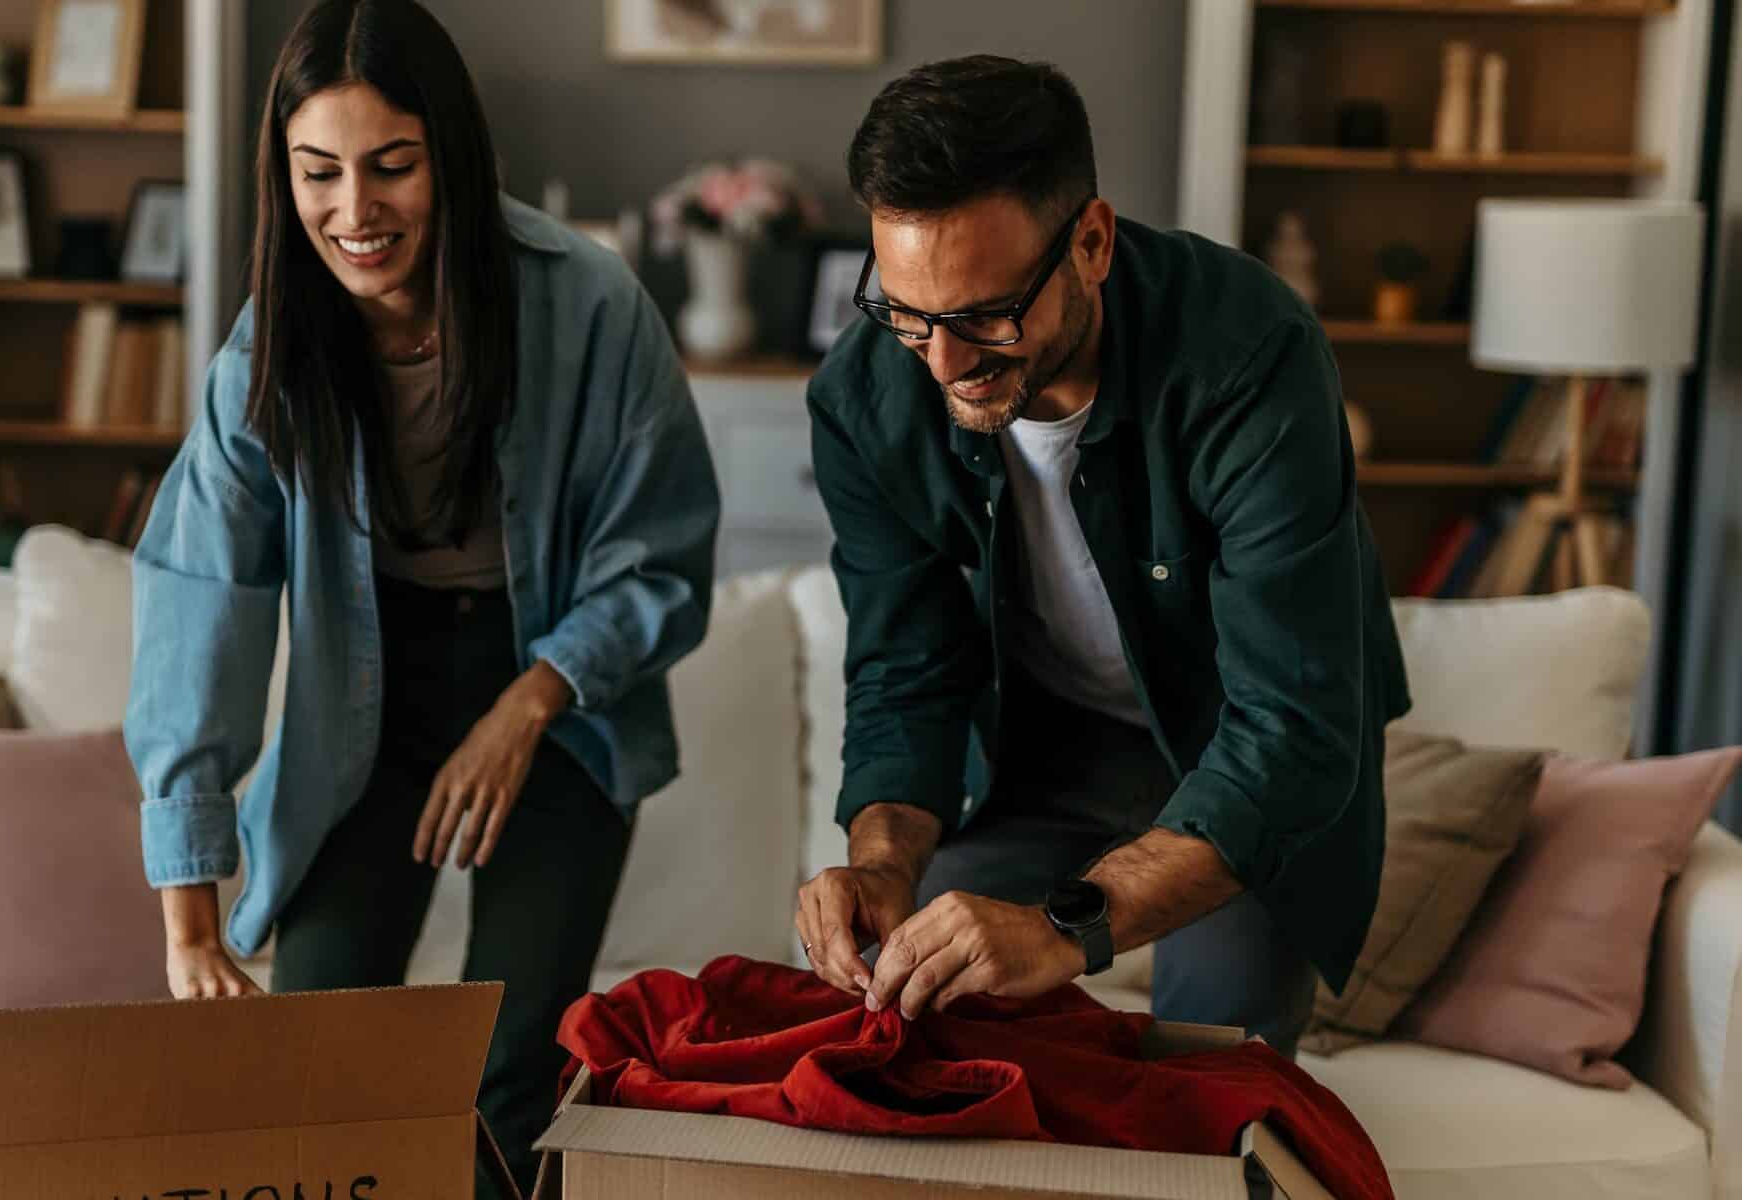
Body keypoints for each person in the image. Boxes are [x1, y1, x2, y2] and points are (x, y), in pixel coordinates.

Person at [123, 1, 719, 1191]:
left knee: (509, 1068)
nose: (355, 212)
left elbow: (660, 556)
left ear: (449, 153)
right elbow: (202, 607)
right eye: (319, 173)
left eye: (391, 167)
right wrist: (189, 917)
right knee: (324, 1058)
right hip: (369, 695)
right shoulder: (264, 356)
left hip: (555, 692)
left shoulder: (590, 303)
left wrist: (525, 704)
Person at [792, 55, 1409, 1056]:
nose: (943, 365)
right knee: (916, 1012)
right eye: (906, 314)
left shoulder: (1249, 355)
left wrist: (1060, 928)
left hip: (1236, 744)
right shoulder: (863, 397)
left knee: (1213, 1068)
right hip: (1041, 748)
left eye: (985, 314)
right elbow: (905, 671)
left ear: (1089, 241)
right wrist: (877, 867)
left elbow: (1292, 729)